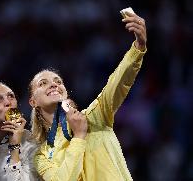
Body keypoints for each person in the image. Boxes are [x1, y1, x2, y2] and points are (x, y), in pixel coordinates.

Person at [28, 11, 147, 181]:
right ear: (33, 102)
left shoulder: (93, 117)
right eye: (43, 83)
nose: (53, 84)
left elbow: (116, 84)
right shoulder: (42, 155)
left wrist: (138, 48)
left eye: (58, 81)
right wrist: (79, 137)